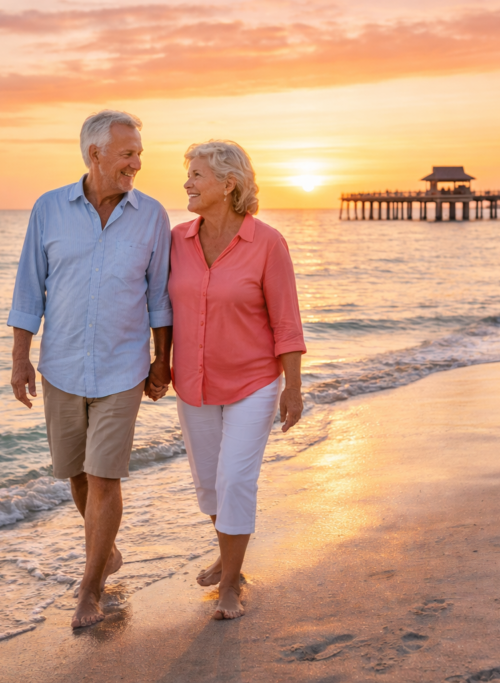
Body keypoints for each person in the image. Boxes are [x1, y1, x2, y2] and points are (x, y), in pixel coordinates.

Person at [7, 110, 173, 629]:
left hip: (123, 368)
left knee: (104, 477)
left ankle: (90, 589)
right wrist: (20, 358)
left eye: (139, 154)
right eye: (128, 154)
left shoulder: (152, 215)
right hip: (60, 366)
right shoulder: (49, 209)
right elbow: (29, 289)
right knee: (75, 473)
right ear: (95, 154)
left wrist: (161, 360)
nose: (137, 163)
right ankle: (107, 550)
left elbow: (160, 296)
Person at [167, 140, 306, 620]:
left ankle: (230, 585)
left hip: (254, 382)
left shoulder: (267, 243)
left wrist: (293, 387)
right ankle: (231, 557)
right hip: (194, 384)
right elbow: (159, 308)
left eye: (197, 175)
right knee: (209, 485)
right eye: (188, 174)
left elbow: (286, 321)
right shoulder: (177, 240)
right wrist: (156, 363)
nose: (187, 183)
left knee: (235, 479)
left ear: (228, 185)